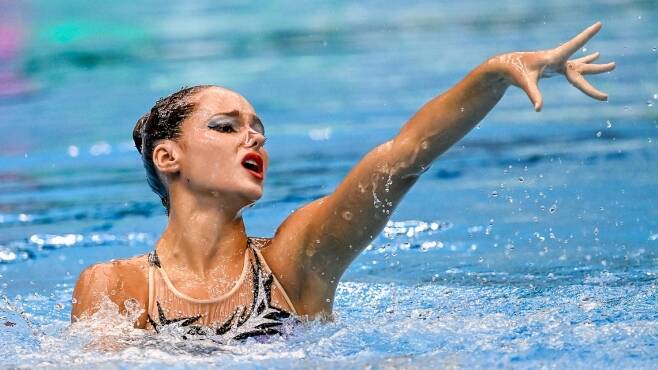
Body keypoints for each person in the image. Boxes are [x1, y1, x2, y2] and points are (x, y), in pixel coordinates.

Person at [71, 22, 615, 339]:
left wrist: (493, 72)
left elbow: (398, 162)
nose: (253, 139)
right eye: (225, 127)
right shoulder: (116, 287)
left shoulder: (293, 260)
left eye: (259, 129)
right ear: (168, 157)